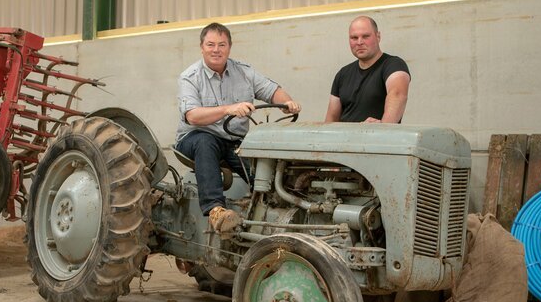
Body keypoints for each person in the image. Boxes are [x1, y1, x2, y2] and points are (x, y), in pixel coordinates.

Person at [175, 22, 301, 232]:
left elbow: (273, 91)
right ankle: (216, 211)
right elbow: (193, 116)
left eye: (222, 45)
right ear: (201, 47)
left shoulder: (243, 72)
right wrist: (228, 109)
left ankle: (274, 209)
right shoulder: (190, 77)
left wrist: (288, 103)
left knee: (262, 164)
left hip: (234, 141)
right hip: (195, 137)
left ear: (229, 48)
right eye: (211, 44)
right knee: (206, 142)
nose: (216, 50)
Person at [324, 16, 410, 123]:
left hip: (377, 138)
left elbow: (398, 95)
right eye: (354, 38)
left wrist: (383, 129)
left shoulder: (394, 65)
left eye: (365, 36)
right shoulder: (343, 74)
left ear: (378, 36)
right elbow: (331, 120)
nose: (359, 42)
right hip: (344, 139)